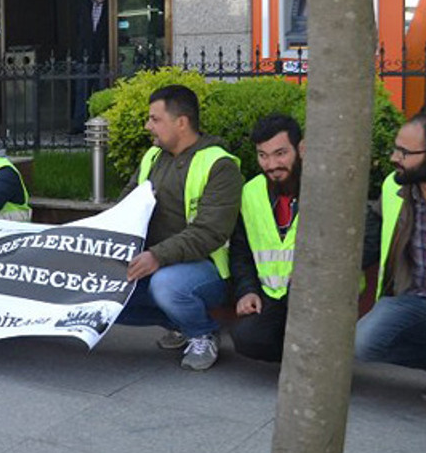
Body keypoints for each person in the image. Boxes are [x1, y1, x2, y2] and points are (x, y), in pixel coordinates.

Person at [114, 84, 242, 371]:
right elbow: (125, 205)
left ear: (181, 123)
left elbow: (209, 233)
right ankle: (180, 324)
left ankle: (203, 332)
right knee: (103, 294)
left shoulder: (220, 166)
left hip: (208, 269)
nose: (148, 126)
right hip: (156, 260)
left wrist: (156, 256)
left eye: (155, 119)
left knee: (167, 286)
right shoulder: (152, 157)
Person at [357, 113, 426, 402]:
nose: (394, 157)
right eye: (396, 149)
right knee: (363, 343)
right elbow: (371, 237)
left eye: (405, 152)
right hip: (412, 296)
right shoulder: (392, 187)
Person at [228, 114, 304, 363]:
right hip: (271, 296)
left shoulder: (324, 189)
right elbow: (241, 251)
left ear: (301, 149)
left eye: (280, 153)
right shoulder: (251, 192)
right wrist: (247, 291)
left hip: (316, 297)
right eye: (263, 155)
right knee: (246, 338)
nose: (271, 164)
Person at [71, 0, 109, 134]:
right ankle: (80, 124)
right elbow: (77, 27)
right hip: (84, 53)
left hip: (104, 54)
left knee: (102, 92)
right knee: (82, 92)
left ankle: (102, 124)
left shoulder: (111, 2)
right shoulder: (84, 1)